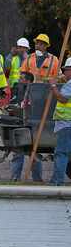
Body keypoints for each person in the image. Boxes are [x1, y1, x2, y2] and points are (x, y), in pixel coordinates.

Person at [9, 72, 43, 182]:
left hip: (33, 127)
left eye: (22, 78)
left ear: (28, 81)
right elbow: (17, 104)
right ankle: (15, 177)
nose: (19, 80)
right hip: (20, 125)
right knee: (18, 153)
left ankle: (37, 179)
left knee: (35, 154)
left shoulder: (35, 92)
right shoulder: (19, 90)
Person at [49, 57, 71, 186]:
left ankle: (57, 182)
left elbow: (62, 99)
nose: (64, 72)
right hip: (67, 123)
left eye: (66, 70)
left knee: (61, 153)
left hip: (66, 123)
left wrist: (53, 85)